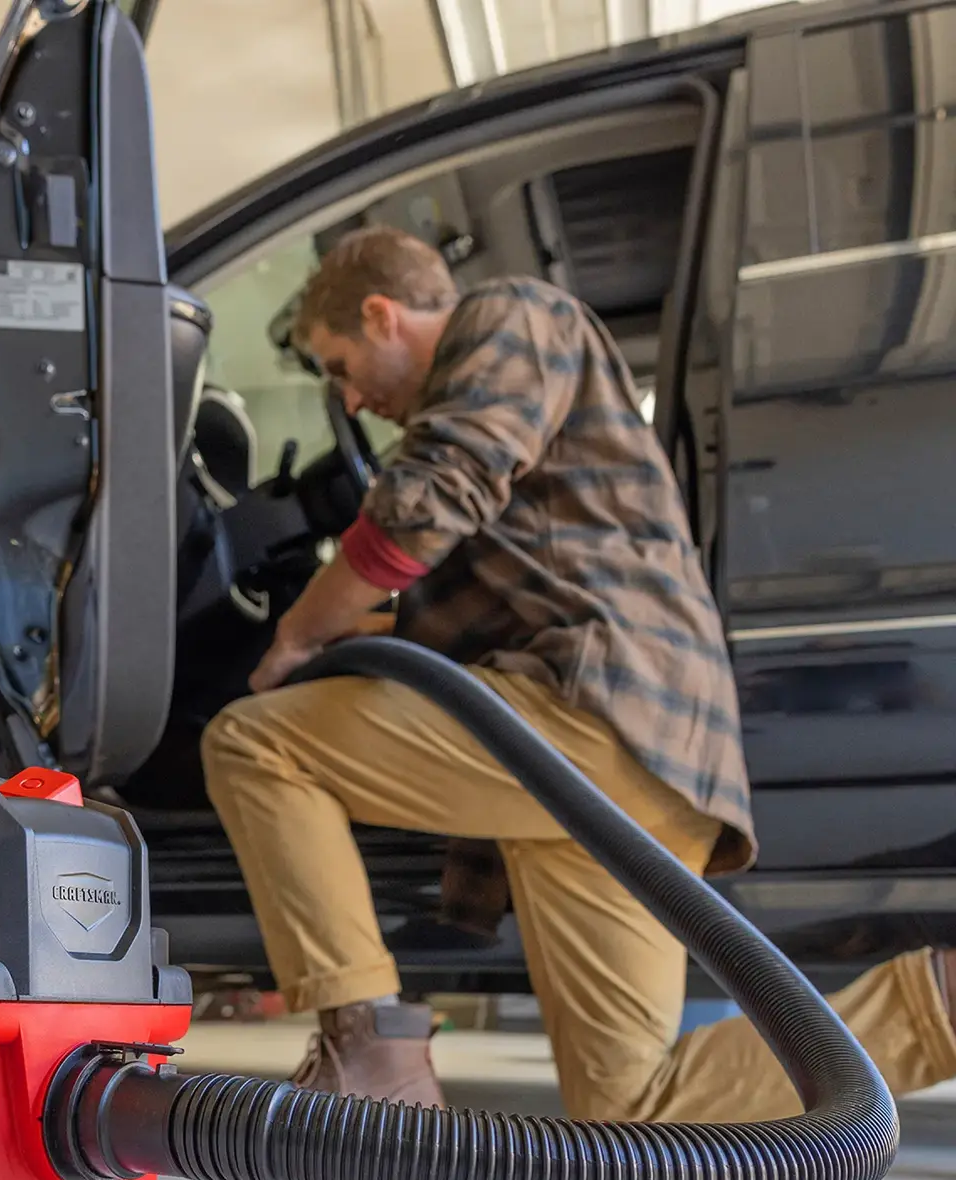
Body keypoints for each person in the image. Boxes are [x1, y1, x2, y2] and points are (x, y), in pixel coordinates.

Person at [200, 225, 956, 1120]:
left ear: (383, 313)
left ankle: (369, 1051)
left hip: (587, 713)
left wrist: (293, 638)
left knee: (254, 744)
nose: (353, 398)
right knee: (628, 1109)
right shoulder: (514, 401)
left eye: (341, 365)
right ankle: (939, 1005)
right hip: (643, 765)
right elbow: (465, 580)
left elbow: (425, 505)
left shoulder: (515, 314)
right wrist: (354, 618)